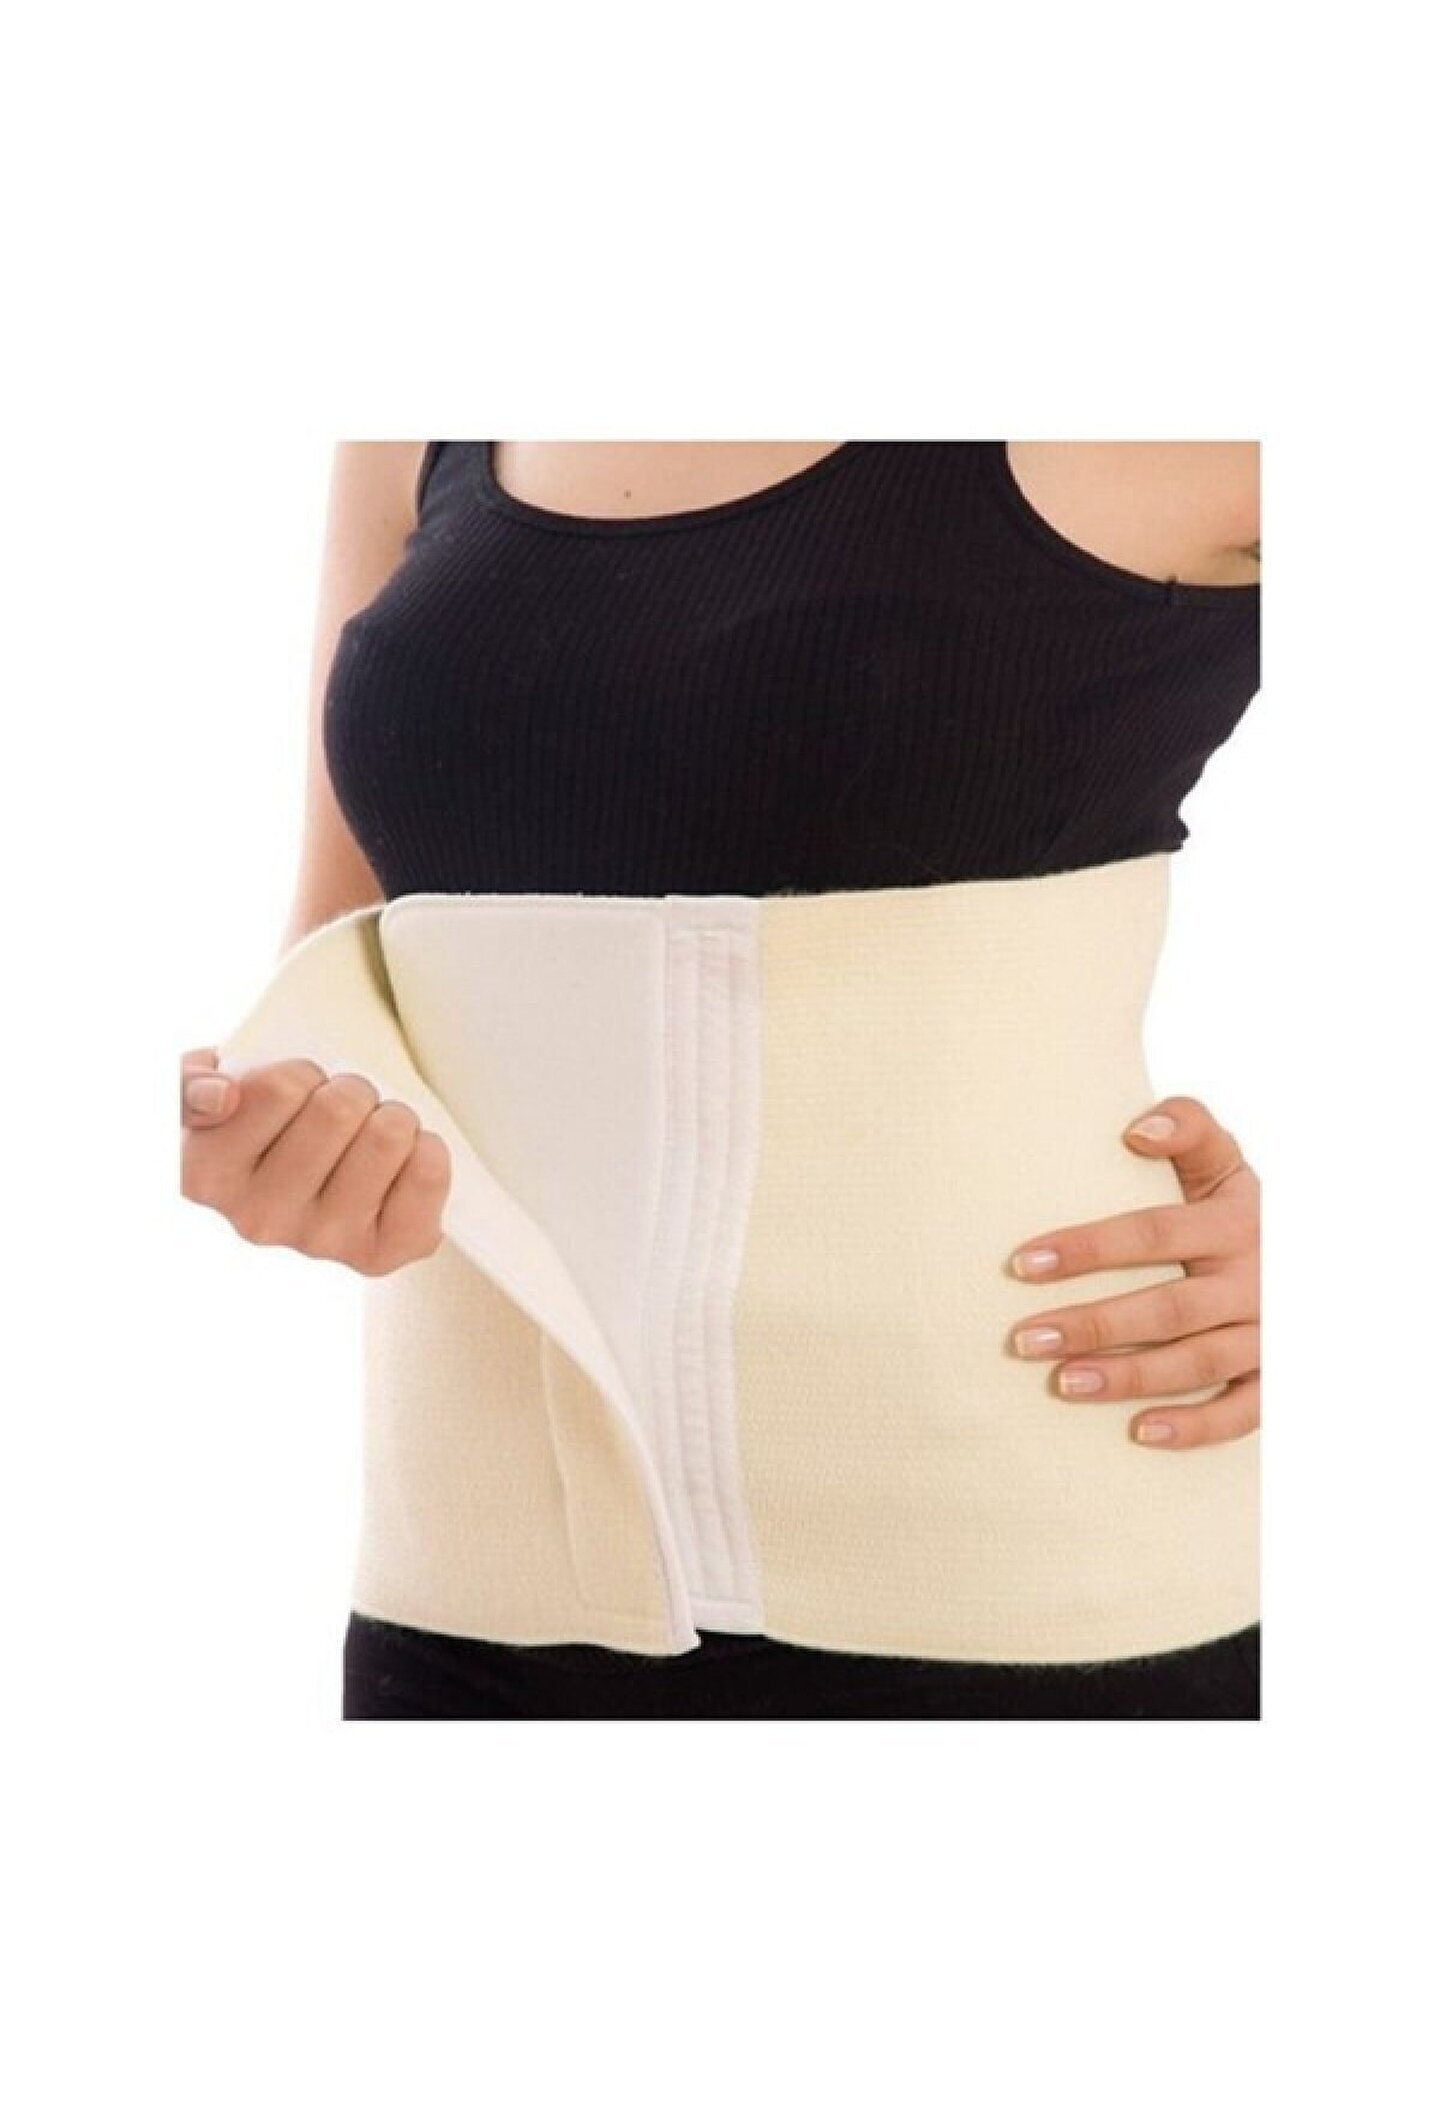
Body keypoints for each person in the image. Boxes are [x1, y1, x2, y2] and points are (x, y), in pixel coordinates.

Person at [180, 439, 1262, 1720]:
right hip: (468, 1605)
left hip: (1030, 1591)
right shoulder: (416, 424)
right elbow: (324, 976)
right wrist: (253, 1141)